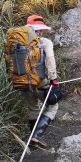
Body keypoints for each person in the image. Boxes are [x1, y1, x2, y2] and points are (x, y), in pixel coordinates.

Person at [24, 15, 59, 148]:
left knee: (33, 108)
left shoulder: (19, 42)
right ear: (40, 29)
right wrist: (53, 78)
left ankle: (32, 143)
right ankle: (35, 137)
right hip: (39, 81)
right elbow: (50, 58)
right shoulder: (44, 42)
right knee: (53, 106)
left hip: (21, 81)